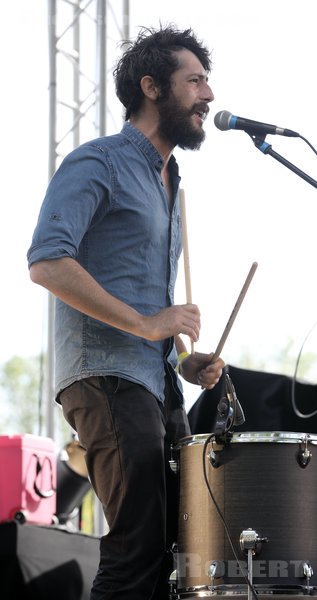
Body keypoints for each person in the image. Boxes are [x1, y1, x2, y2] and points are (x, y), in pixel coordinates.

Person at [27, 24, 224, 600]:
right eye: (195, 81)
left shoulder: (170, 181)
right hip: (106, 377)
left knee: (174, 554)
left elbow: (145, 304)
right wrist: (145, 324)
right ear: (152, 87)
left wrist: (182, 359)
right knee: (137, 549)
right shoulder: (99, 162)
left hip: (155, 382)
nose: (208, 95)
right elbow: (46, 260)